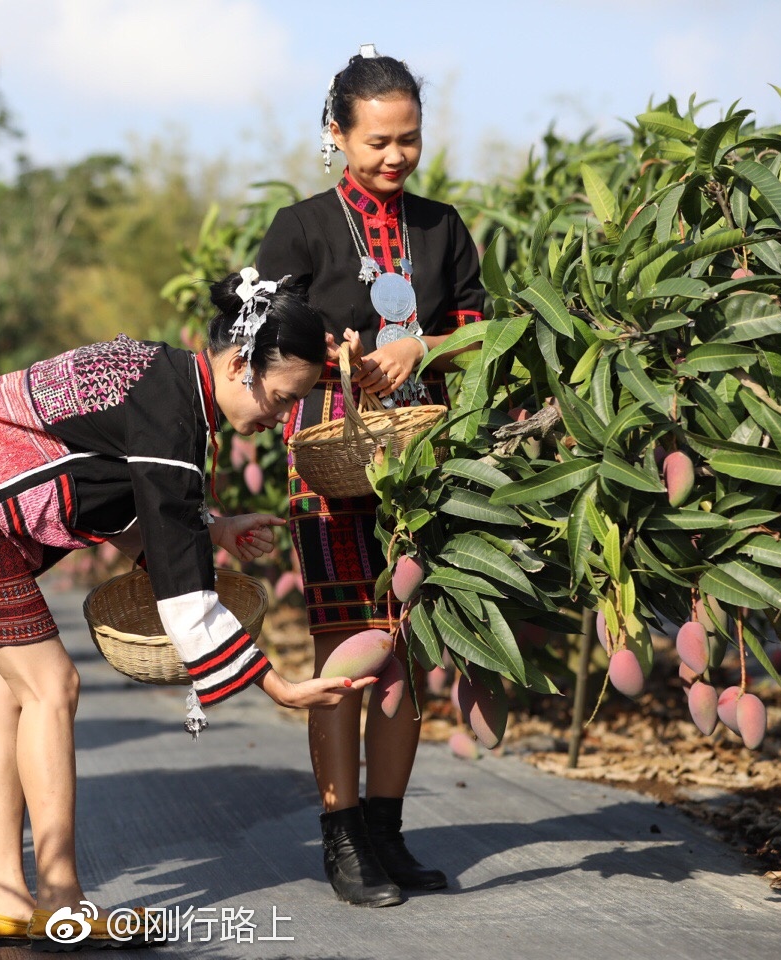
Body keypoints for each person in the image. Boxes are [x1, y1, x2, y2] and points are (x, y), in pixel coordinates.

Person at [0, 271, 378, 948]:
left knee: (8, 697)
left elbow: (107, 484)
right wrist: (278, 685)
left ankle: (4, 898)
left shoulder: (162, 378)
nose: (282, 417)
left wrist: (215, 528)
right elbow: (181, 578)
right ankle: (61, 902)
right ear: (240, 365)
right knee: (53, 687)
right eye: (284, 397)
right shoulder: (173, 412)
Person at [256, 47, 486, 908]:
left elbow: (482, 329)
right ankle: (342, 832)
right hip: (330, 456)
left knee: (408, 644)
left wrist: (420, 346)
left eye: (408, 140)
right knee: (345, 644)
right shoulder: (302, 228)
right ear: (337, 134)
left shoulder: (441, 227)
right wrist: (332, 356)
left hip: (424, 458)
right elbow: (250, 335)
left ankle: (387, 830)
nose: (395, 157)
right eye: (377, 141)